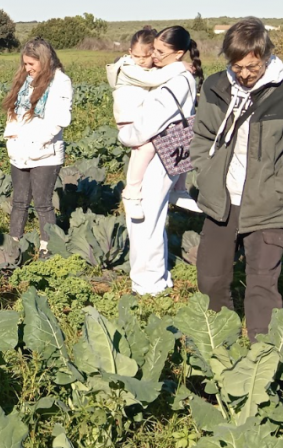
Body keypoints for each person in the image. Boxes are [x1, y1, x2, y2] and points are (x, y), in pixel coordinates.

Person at [191, 18, 283, 339]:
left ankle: (264, 354)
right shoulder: (215, 86)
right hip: (223, 198)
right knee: (210, 279)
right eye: (237, 66)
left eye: (252, 67)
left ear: (267, 56)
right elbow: (202, 136)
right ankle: (221, 343)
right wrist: (205, 174)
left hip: (269, 202)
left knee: (262, 285)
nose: (244, 74)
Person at [117, 25, 202, 295]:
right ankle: (153, 279)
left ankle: (149, 285)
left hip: (160, 154)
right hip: (166, 152)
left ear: (178, 54)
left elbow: (151, 121)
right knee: (150, 216)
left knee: (146, 220)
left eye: (161, 52)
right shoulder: (174, 74)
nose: (154, 55)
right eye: (153, 49)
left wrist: (126, 135)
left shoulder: (177, 80)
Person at [3, 38, 74, 259]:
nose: (27, 68)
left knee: (43, 204)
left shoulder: (60, 82)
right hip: (19, 150)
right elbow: (13, 112)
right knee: (19, 202)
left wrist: (36, 141)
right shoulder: (25, 81)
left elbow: (60, 120)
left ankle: (47, 248)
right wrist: (11, 137)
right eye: (25, 64)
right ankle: (13, 247)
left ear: (44, 60)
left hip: (45, 153)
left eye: (31, 64)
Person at [107, 27, 178, 220]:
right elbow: (152, 79)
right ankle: (131, 193)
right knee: (145, 148)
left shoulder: (150, 68)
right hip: (129, 120)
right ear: (130, 52)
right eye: (137, 56)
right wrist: (179, 66)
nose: (141, 61)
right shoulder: (127, 67)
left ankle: (178, 188)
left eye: (146, 56)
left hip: (144, 120)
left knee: (178, 142)